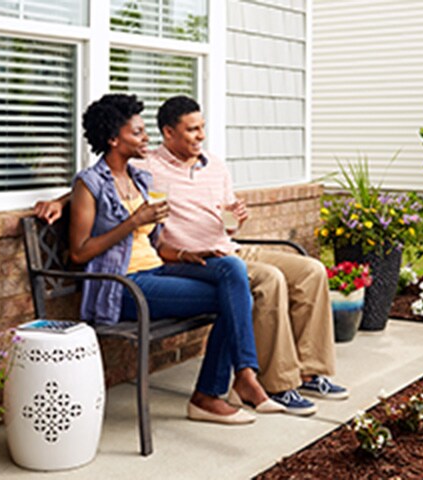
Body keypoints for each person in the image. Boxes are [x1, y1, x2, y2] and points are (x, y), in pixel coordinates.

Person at [35, 96, 349, 416]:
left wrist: (211, 236)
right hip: (128, 282)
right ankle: (248, 384)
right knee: (248, 290)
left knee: (269, 271)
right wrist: (67, 204)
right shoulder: (136, 169)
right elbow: (88, 206)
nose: (146, 138)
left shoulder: (149, 176)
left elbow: (144, 222)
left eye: (202, 128)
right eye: (139, 132)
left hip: (195, 256)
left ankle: (275, 375)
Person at [65, 93, 283, 425]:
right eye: (137, 133)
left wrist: (187, 255)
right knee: (235, 299)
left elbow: (155, 244)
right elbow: (79, 251)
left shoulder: (140, 180)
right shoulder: (89, 183)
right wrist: (133, 221)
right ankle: (214, 393)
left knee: (231, 268)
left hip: (158, 270)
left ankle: (242, 376)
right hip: (122, 287)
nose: (146, 138)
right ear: (113, 139)